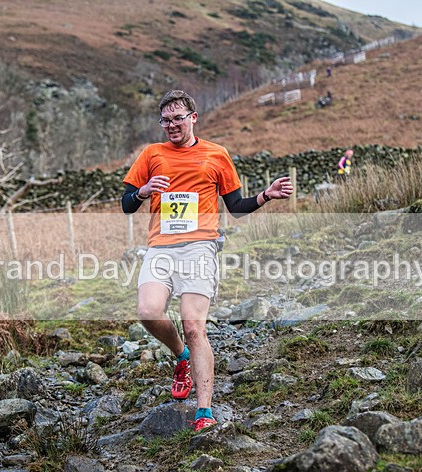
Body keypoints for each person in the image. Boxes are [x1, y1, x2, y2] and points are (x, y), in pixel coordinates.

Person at [121, 90, 294, 432]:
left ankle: (204, 411)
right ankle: (181, 357)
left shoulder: (216, 154)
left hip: (200, 245)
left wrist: (265, 195)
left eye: (178, 118)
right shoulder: (152, 154)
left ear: (193, 117)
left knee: (193, 325)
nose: (172, 125)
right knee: (148, 312)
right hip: (161, 248)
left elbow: (236, 208)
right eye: (166, 120)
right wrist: (142, 192)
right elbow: (126, 204)